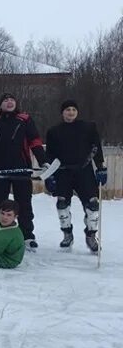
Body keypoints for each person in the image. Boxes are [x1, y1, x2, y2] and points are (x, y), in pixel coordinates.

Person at [0, 93, 49, 249]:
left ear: (16, 103)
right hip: (0, 169)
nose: (9, 102)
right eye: (5, 100)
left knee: (24, 203)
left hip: (22, 168)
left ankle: (27, 235)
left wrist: (43, 160)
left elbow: (35, 141)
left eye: (12, 99)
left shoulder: (25, 120)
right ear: (0, 105)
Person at [45, 100, 107, 251]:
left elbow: (96, 148)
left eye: (73, 109)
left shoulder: (88, 127)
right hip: (63, 172)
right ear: (62, 113)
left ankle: (91, 235)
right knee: (62, 205)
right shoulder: (53, 131)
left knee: (92, 206)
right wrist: (49, 174)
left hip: (84, 171)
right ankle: (67, 234)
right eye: (67, 110)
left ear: (77, 112)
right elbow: (50, 155)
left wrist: (101, 167)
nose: (71, 112)